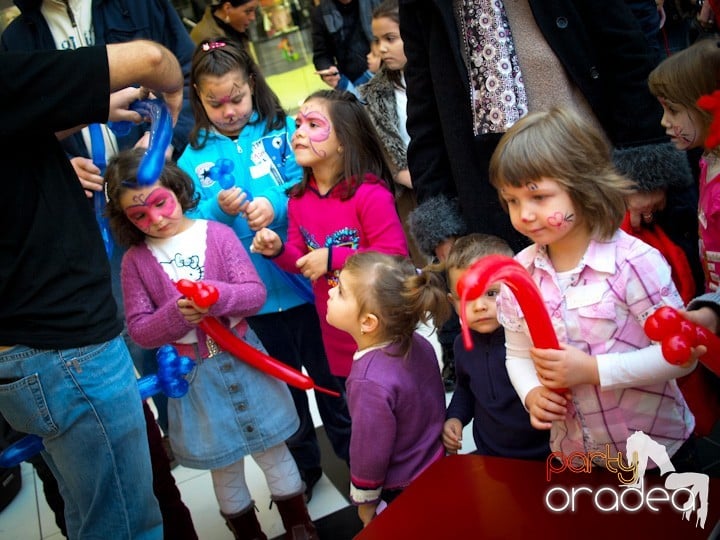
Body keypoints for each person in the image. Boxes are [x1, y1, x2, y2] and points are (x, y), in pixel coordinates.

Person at [0, 38, 184, 540]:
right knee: (125, 523)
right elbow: (151, 59)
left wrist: (80, 113)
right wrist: (172, 95)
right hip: (68, 354)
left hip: (25, 354)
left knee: (92, 514)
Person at [104, 148, 318, 540]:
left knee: (274, 451)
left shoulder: (217, 235)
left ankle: (299, 526)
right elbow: (138, 330)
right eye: (139, 215)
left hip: (247, 358)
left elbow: (253, 294)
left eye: (160, 203)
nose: (155, 219)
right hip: (195, 377)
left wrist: (216, 296)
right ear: (125, 219)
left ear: (175, 188)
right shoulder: (135, 261)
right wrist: (174, 316)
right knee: (226, 466)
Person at [177, 38, 351, 502]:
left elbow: (310, 185)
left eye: (236, 97)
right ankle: (302, 475)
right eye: (216, 102)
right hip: (249, 301)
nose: (229, 110)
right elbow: (187, 225)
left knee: (332, 382)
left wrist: (271, 204)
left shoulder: (281, 134)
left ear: (253, 85)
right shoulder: (191, 158)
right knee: (283, 396)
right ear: (198, 97)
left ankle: (357, 463)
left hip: (308, 286)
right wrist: (217, 209)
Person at [488, 106, 697, 469]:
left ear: (583, 185)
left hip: (658, 458)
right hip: (578, 458)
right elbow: (518, 353)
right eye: (512, 200)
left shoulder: (633, 262)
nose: (523, 214)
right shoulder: (518, 274)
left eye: (539, 197)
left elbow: (681, 355)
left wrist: (594, 371)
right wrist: (531, 392)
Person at [399, 0, 686, 256]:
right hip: (497, 202)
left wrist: (645, 169)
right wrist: (442, 227)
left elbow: (626, 52)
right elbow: (426, 110)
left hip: (597, 176)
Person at [251, 89, 409, 380]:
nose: (298, 132)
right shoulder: (298, 201)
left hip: (383, 333)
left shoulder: (369, 195)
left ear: (343, 142)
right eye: (298, 124)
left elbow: (395, 256)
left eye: (313, 125)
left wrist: (333, 257)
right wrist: (277, 250)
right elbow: (301, 260)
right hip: (337, 339)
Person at [325, 252, 449, 526]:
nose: (331, 292)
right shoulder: (419, 343)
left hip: (402, 487)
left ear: (368, 322)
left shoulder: (368, 381)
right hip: (438, 465)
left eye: (341, 291)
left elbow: (369, 450)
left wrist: (365, 502)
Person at [440, 234, 549, 460]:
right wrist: (455, 418)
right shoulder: (462, 345)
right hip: (491, 456)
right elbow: (465, 389)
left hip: (545, 454)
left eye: (492, 293)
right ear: (453, 302)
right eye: (468, 297)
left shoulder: (530, 337)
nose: (480, 306)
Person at [358, 0, 423, 265]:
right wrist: (405, 174)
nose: (382, 48)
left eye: (391, 38)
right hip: (410, 195)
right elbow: (388, 153)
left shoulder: (434, 79)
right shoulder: (375, 95)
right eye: (378, 40)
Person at [310, 0, 381, 91]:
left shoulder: (376, 2)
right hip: (349, 79)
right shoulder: (320, 13)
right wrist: (329, 71)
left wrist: (382, 56)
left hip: (383, 69)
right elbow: (321, 54)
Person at [190, 0, 259, 51]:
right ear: (227, 8)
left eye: (254, 11)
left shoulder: (235, 28)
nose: (252, 17)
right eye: (248, 11)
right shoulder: (204, 37)